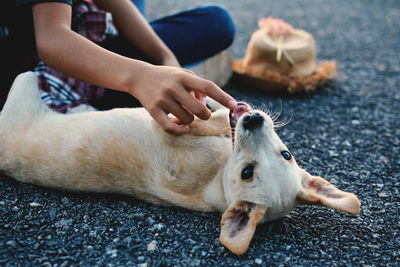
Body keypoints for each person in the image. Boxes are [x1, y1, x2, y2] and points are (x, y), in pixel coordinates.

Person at [0, 0, 238, 135]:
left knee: (217, 23)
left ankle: (170, 82)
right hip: (36, 67)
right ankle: (147, 90)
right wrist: (140, 77)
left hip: (90, 34)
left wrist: (167, 59)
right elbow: (51, 38)